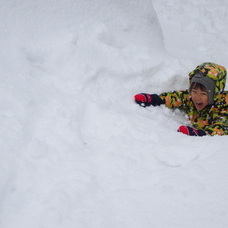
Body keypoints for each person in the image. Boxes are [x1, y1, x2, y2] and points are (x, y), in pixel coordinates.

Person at [134, 62, 228, 136]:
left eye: (203, 94)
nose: (197, 97)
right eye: (194, 91)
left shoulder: (223, 107)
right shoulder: (191, 98)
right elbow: (177, 97)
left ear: (214, 95)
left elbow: (222, 128)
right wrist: (155, 99)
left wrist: (202, 134)